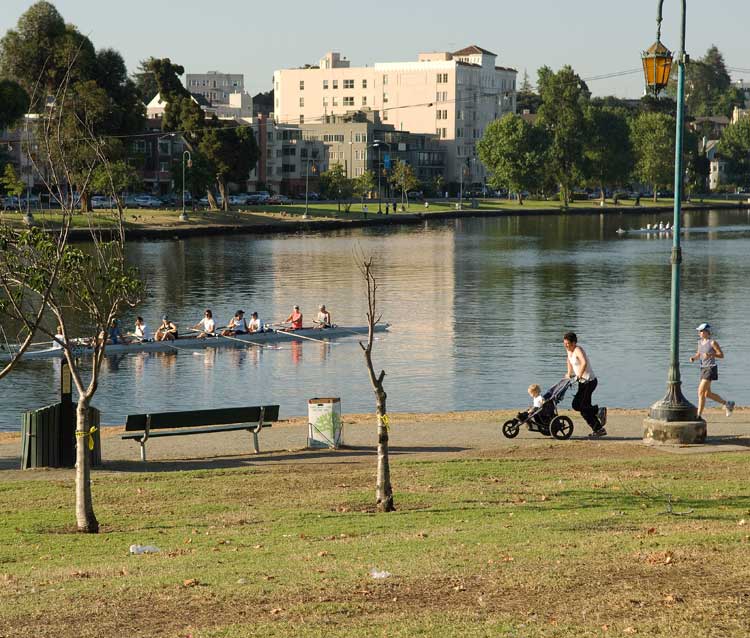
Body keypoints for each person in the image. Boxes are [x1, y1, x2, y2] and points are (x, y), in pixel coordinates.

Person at [563, 332, 607, 437]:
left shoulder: (578, 350)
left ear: (574, 343)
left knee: (578, 405)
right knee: (584, 409)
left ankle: (598, 410)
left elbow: (584, 362)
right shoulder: (569, 350)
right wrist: (569, 373)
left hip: (589, 382)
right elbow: (569, 360)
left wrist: (579, 375)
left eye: (568, 343)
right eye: (564, 343)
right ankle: (599, 429)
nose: (566, 345)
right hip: (582, 383)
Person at [689, 323, 734, 419]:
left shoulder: (712, 342)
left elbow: (721, 355)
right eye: (699, 331)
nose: (699, 333)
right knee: (707, 394)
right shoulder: (699, 342)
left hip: (711, 368)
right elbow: (699, 354)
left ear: (706, 332)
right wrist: (694, 358)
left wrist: (710, 355)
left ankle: (698, 415)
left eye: (701, 331)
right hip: (703, 368)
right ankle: (728, 404)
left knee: (700, 392)